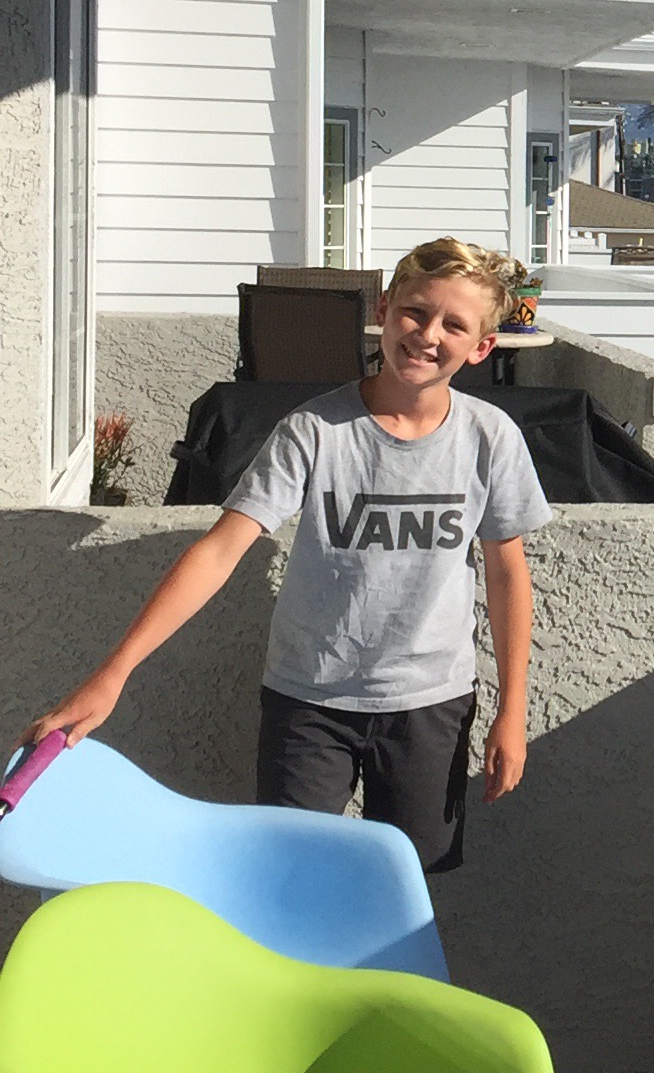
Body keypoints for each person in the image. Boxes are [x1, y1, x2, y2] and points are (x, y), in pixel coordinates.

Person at [26, 239, 549, 876]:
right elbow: (220, 551)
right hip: (309, 703)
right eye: (415, 311)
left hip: (431, 705)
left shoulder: (490, 437)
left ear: (482, 347)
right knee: (290, 878)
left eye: (454, 325)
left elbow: (506, 572)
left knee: (405, 886)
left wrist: (512, 710)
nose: (427, 334)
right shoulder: (313, 430)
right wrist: (114, 673)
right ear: (384, 311)